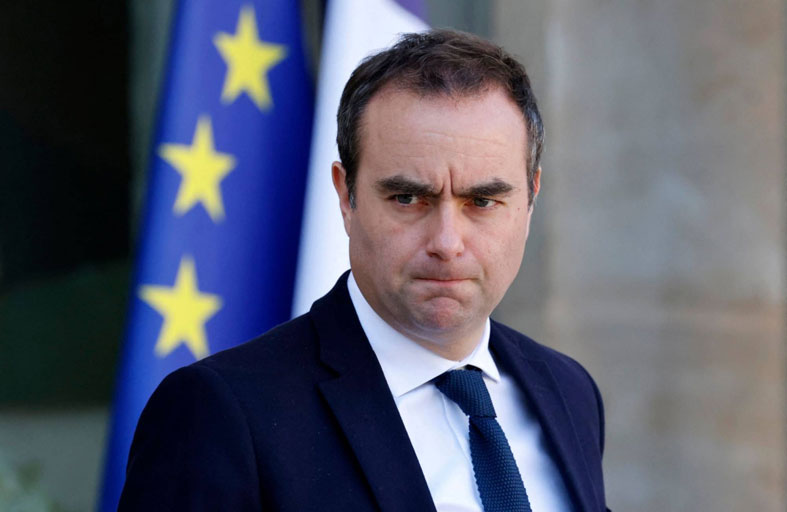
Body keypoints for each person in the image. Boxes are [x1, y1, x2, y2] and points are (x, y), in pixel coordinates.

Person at [119, 29, 610, 511]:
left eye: (482, 201)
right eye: (408, 198)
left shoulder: (568, 391)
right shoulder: (220, 413)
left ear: (530, 199)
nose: (446, 243)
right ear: (345, 196)